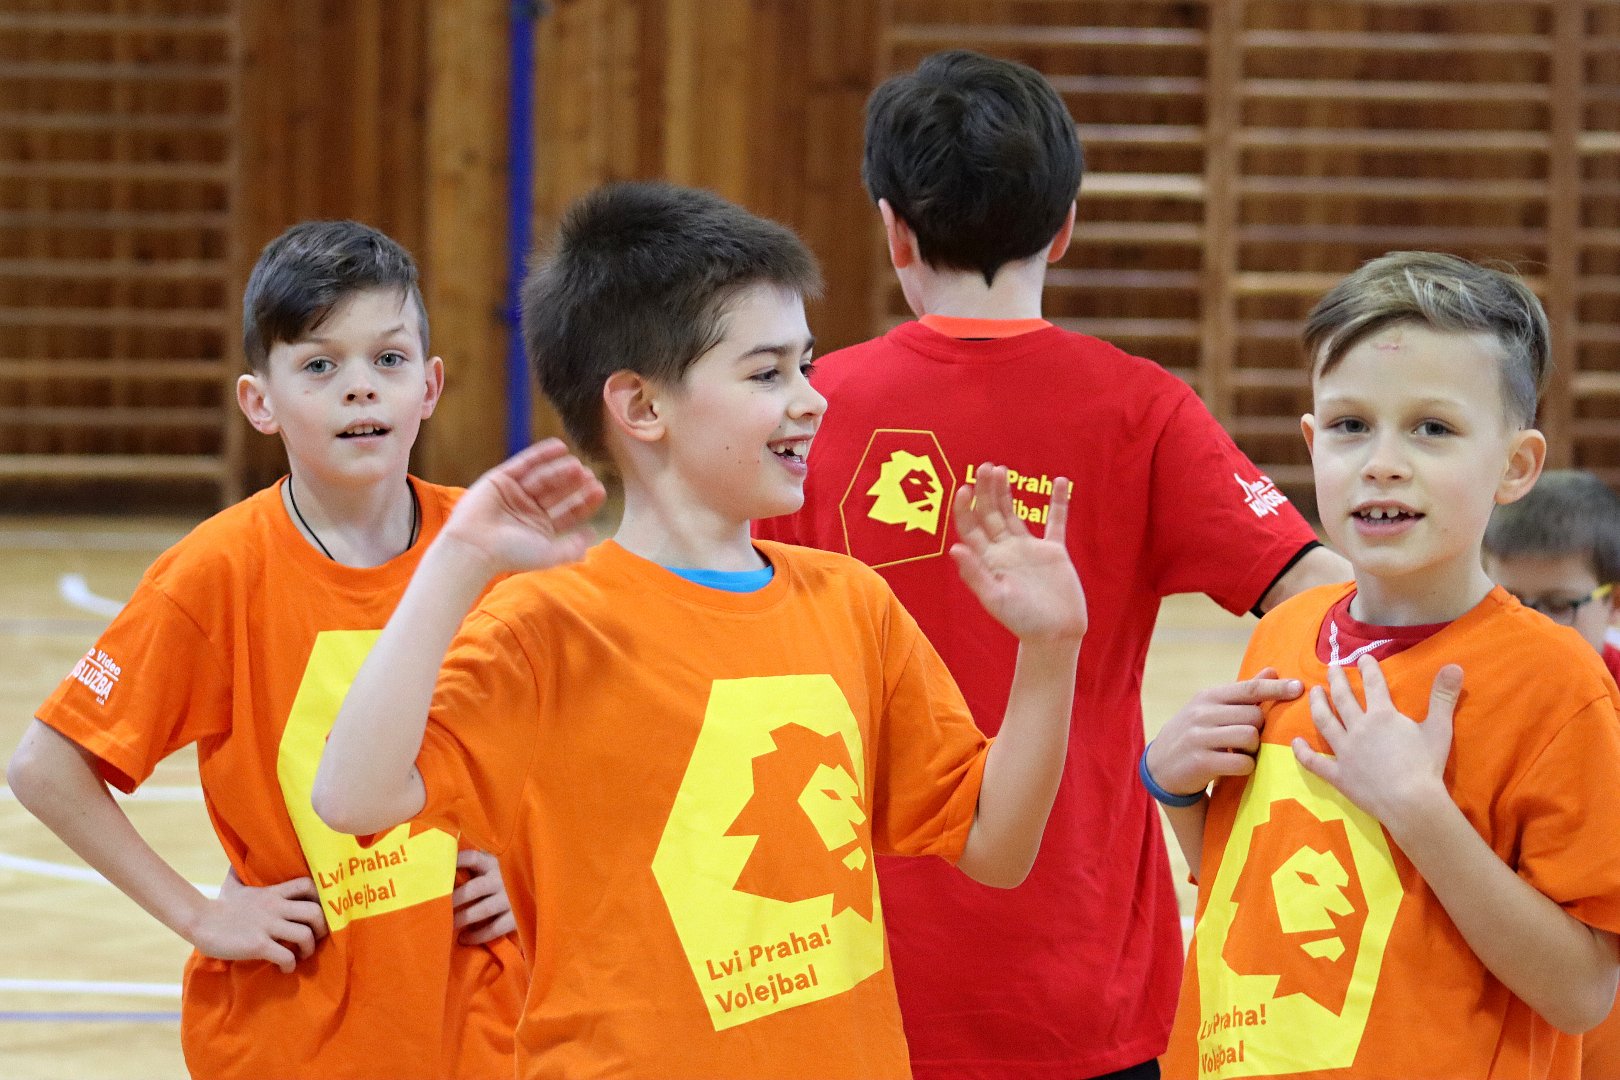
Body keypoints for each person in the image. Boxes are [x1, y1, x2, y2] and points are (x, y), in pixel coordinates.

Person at [308, 180, 1089, 1080]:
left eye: (806, 364)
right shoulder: (549, 626)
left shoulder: (852, 603)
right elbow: (353, 799)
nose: (812, 399)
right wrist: (455, 564)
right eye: (767, 373)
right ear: (642, 407)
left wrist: (1050, 650)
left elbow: (996, 847)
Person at [753, 48, 1348, 1080]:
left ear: (894, 228)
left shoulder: (810, 410)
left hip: (846, 960)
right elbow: (1321, 589)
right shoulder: (1140, 407)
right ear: (1065, 227)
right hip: (1080, 966)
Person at [7, 221, 525, 1079]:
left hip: (484, 1024)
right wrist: (200, 916)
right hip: (295, 1033)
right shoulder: (216, 573)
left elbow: (607, 742)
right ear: (260, 402)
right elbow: (44, 767)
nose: (360, 387)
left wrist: (543, 871)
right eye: (320, 366)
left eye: (388, 359)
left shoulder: (494, 548)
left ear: (429, 385)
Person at [1149, 252, 1620, 1079]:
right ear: (1311, 443)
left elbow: (1583, 992)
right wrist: (1180, 792)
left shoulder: (1558, 683)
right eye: (1350, 425)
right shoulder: (1282, 634)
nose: (1382, 461)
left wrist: (1419, 810)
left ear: (1515, 465)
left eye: (1432, 428)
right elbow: (1247, 885)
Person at [1483, 468, 1620, 1077]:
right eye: (1513, 601)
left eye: (1561, 605)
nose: (1535, 624)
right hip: (1507, 1002)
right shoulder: (1461, 691)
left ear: (1613, 600)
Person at [1484, 469, 1620, 684]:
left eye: (1557, 605)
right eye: (1507, 601)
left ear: (1614, 602)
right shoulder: (1463, 677)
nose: (1530, 627)